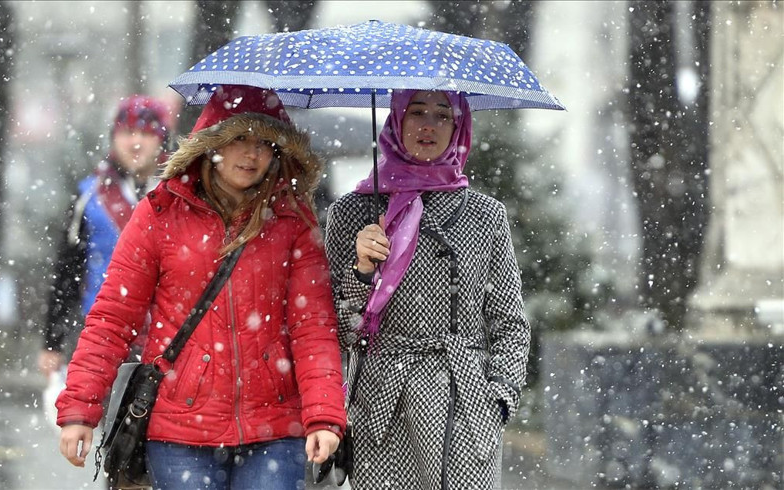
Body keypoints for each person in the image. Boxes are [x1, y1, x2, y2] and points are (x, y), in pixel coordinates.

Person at [55, 84, 346, 489]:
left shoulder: (291, 221)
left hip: (274, 429)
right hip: (178, 431)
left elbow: (312, 325)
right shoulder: (160, 213)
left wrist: (323, 415)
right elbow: (113, 318)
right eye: (240, 138)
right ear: (212, 143)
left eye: (264, 142)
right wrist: (79, 410)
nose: (252, 154)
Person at [324, 89, 531, 489]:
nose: (428, 126)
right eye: (416, 112)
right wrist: (363, 269)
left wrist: (500, 398)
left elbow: (510, 321)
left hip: (466, 400)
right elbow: (336, 328)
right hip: (383, 400)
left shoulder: (484, 214)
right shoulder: (353, 212)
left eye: (443, 115)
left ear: (459, 127)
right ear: (396, 121)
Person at [38, 95, 172, 379]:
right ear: (114, 137)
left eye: (147, 133)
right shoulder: (90, 194)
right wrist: (52, 341)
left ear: (162, 139)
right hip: (99, 330)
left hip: (167, 336)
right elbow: (67, 268)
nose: (136, 142)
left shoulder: (179, 194)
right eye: (127, 132)